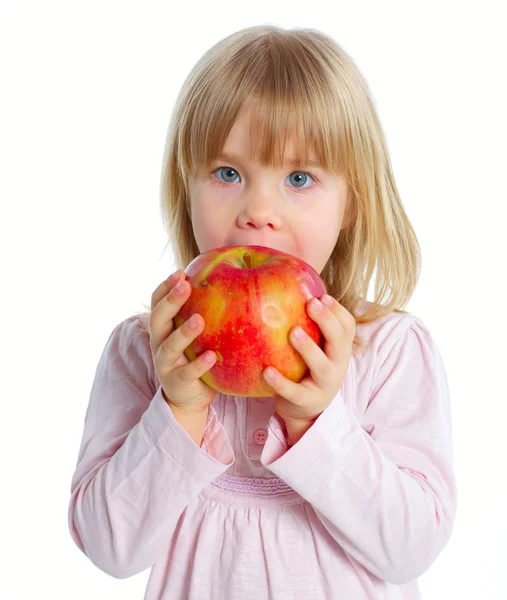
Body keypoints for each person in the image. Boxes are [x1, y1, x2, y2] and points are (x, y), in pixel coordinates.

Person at [68, 24, 457, 599]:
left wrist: (317, 423)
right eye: (228, 174)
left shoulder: (388, 350)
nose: (259, 211)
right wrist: (179, 408)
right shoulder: (150, 352)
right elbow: (109, 548)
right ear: (187, 188)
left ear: (352, 202)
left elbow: (410, 549)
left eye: (299, 178)